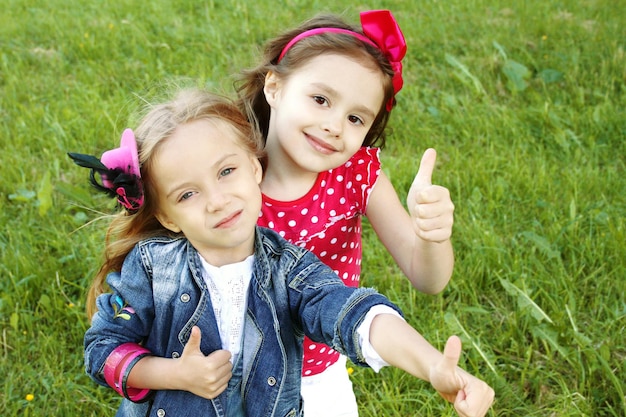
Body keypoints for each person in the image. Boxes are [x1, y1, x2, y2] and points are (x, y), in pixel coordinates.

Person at [71, 88, 493, 417]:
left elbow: (351, 313)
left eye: (226, 171)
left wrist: (431, 364)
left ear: (255, 168)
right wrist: (172, 374)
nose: (217, 200)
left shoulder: (287, 268)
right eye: (187, 194)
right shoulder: (150, 270)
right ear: (166, 216)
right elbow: (103, 349)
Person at [236, 9, 457, 416]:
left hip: (320, 375)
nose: (335, 126)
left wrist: (431, 237)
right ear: (275, 86)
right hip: (233, 372)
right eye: (320, 99)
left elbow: (428, 279)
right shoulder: (227, 171)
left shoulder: (355, 175)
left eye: (355, 117)